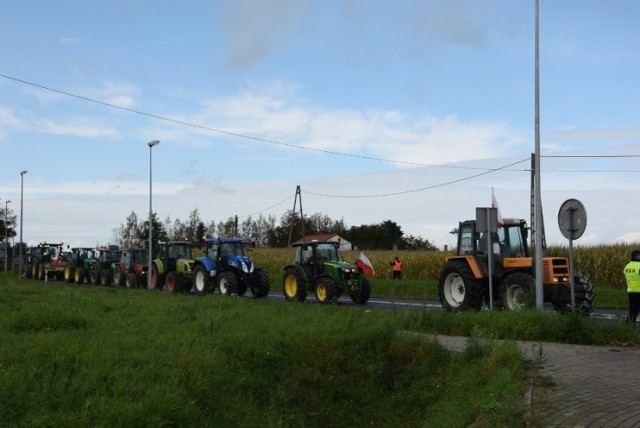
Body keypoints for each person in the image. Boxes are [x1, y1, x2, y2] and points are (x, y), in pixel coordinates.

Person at [623, 250, 640, 330]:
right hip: (639, 292)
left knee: (633, 312)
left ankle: (628, 330)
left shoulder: (627, 266)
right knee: (634, 312)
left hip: (631, 292)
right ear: (638, 256)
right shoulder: (639, 266)